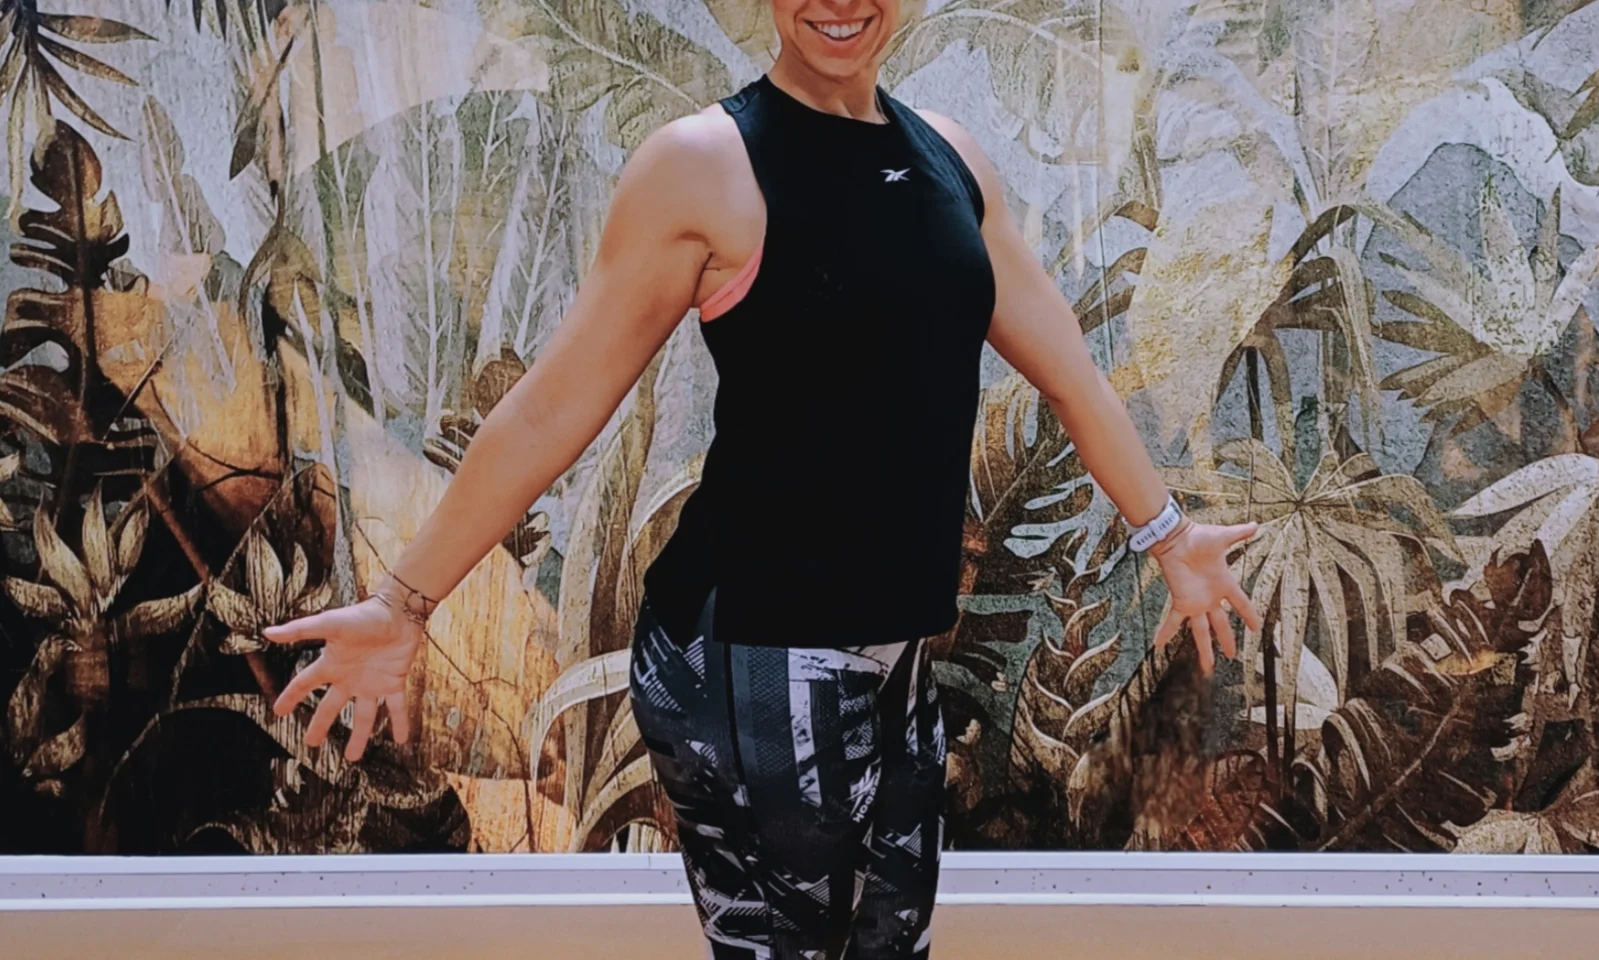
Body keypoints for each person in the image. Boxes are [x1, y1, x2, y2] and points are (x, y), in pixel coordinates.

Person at [260, 0, 1263, 955]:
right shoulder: (705, 165)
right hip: (749, 650)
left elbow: (1070, 373)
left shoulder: (951, 160)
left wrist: (1168, 537)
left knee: (885, 942)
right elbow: (550, 408)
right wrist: (403, 603)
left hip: (897, 649)